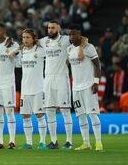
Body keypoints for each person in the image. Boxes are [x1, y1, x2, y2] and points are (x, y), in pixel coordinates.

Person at [39, 20, 85, 149]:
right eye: (48, 28)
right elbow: (30, 42)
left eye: (53, 28)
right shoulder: (44, 41)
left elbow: (83, 39)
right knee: (49, 111)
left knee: (65, 111)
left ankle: (69, 141)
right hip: (47, 79)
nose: (50, 30)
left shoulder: (65, 40)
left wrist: (80, 49)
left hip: (61, 78)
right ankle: (54, 141)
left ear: (58, 29)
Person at [67, 24, 103, 151]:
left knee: (92, 114)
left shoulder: (89, 47)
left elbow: (98, 65)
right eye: (70, 34)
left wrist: (96, 82)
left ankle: (98, 143)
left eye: (74, 34)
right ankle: (86, 143)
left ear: (79, 34)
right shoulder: (69, 49)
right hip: (76, 88)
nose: (72, 36)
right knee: (80, 115)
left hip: (88, 86)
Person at [17, 29, 47, 150]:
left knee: (39, 115)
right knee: (25, 116)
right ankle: (28, 142)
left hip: (38, 89)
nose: (25, 40)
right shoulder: (22, 52)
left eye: (28, 37)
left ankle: (42, 142)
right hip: (25, 89)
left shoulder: (40, 51)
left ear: (34, 38)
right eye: (23, 37)